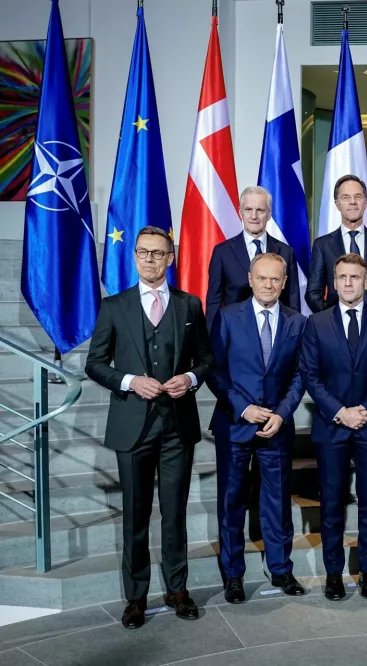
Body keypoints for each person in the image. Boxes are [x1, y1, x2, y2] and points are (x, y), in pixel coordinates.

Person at [84, 226, 212, 629]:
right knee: (135, 517)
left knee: (174, 515)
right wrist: (129, 381)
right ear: (134, 257)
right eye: (144, 253)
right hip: (132, 429)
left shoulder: (190, 305)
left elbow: (206, 361)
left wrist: (190, 380)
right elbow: (95, 363)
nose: (151, 260)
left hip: (176, 427)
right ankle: (136, 598)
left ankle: (178, 590)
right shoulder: (114, 306)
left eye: (159, 254)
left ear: (170, 258)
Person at [299, 254, 367, 602]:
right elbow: (310, 376)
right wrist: (341, 412)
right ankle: (333, 574)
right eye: (341, 277)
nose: (347, 283)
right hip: (332, 426)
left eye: (354, 277)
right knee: (331, 502)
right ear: (333, 281)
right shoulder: (317, 322)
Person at [207, 252, 308, 604]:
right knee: (232, 502)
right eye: (262, 278)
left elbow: (300, 375)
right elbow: (215, 371)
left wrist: (281, 413)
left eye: (275, 279)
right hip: (235, 425)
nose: (268, 285)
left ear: (284, 282)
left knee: (277, 502)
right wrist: (243, 408)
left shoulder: (297, 323)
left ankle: (281, 569)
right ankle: (233, 575)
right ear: (250, 279)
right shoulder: (227, 317)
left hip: (276, 427)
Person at [306, 174, 367, 316]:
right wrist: (333, 319)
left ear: (365, 202)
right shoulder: (322, 245)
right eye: (346, 197)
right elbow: (313, 293)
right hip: (336, 331)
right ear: (337, 204)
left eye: (358, 196)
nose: (353, 202)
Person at [206, 186, 300, 330]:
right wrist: (212, 340)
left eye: (260, 210)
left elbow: (292, 301)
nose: (254, 216)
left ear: (269, 214)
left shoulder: (286, 252)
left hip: (274, 330)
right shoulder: (222, 252)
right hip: (235, 331)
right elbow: (214, 301)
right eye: (248, 209)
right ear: (240, 213)